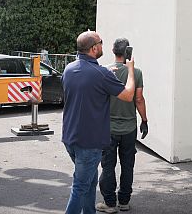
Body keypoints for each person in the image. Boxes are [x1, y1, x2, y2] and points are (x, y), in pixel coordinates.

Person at [62, 31, 136, 214]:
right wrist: (131, 70)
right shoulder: (101, 74)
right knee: (80, 186)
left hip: (70, 139)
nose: (103, 46)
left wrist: (105, 74)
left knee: (90, 181)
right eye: (101, 42)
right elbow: (128, 95)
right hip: (90, 142)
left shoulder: (69, 69)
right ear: (94, 48)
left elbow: (87, 84)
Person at [97, 38, 148, 213]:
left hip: (108, 128)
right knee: (128, 165)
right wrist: (144, 120)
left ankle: (109, 203)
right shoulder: (137, 73)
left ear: (113, 51)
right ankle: (124, 201)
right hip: (129, 128)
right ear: (129, 53)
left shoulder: (105, 71)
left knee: (108, 165)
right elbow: (139, 99)